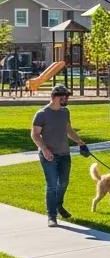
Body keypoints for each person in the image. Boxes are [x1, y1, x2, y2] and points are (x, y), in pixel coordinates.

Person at [31, 84, 89, 227]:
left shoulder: (65, 112)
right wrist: (44, 149)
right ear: (54, 97)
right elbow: (35, 134)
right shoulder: (42, 114)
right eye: (64, 96)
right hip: (48, 155)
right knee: (51, 185)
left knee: (63, 183)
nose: (66, 98)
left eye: (67, 96)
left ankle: (58, 205)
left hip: (64, 154)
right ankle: (52, 215)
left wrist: (80, 142)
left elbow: (68, 129)